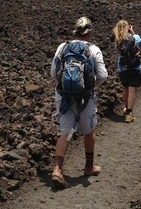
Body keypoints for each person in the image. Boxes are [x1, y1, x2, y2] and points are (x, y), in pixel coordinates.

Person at [50, 17, 108, 188]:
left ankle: (57, 169)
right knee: (88, 131)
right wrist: (88, 85)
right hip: (85, 97)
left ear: (75, 30)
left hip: (64, 96)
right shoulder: (93, 49)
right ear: (89, 32)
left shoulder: (63, 47)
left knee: (64, 131)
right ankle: (89, 167)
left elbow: (54, 73)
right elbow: (103, 75)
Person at [112, 20, 141, 123]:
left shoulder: (117, 41)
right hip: (135, 67)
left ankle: (126, 107)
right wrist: (133, 32)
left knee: (125, 88)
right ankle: (129, 113)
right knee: (132, 90)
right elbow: (140, 44)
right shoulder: (134, 38)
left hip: (122, 68)